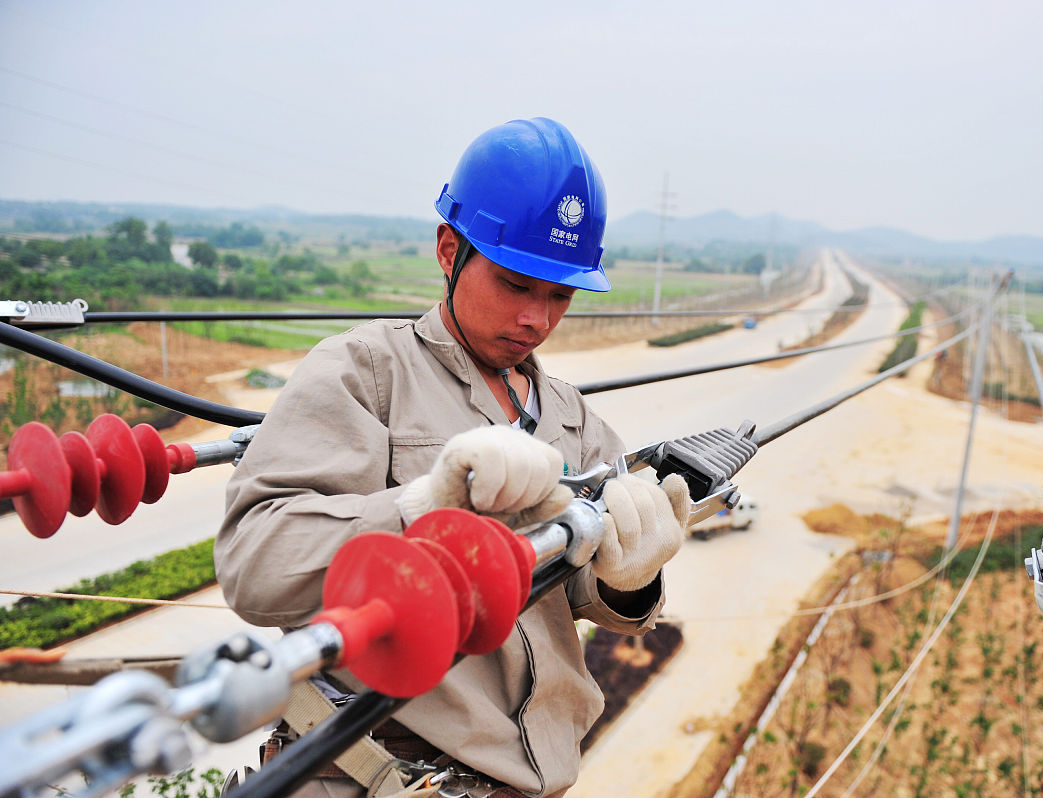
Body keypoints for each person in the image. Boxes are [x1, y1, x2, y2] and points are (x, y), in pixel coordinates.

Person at [214, 117, 690, 798]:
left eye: (559, 294)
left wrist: (631, 579)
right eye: (516, 283)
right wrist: (423, 504)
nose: (537, 317)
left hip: (523, 781)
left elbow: (592, 596)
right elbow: (256, 566)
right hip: (368, 769)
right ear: (448, 250)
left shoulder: (571, 417)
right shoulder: (366, 374)